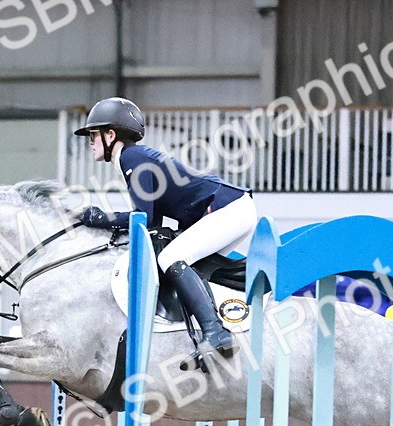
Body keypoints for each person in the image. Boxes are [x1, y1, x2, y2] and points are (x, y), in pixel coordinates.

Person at [72, 97, 256, 356]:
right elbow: (152, 222)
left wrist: (101, 219)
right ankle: (206, 336)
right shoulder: (134, 158)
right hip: (233, 209)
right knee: (188, 267)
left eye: (94, 135)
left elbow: (142, 218)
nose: (90, 141)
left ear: (111, 134)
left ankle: (216, 333)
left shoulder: (131, 157)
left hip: (228, 208)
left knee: (172, 257)